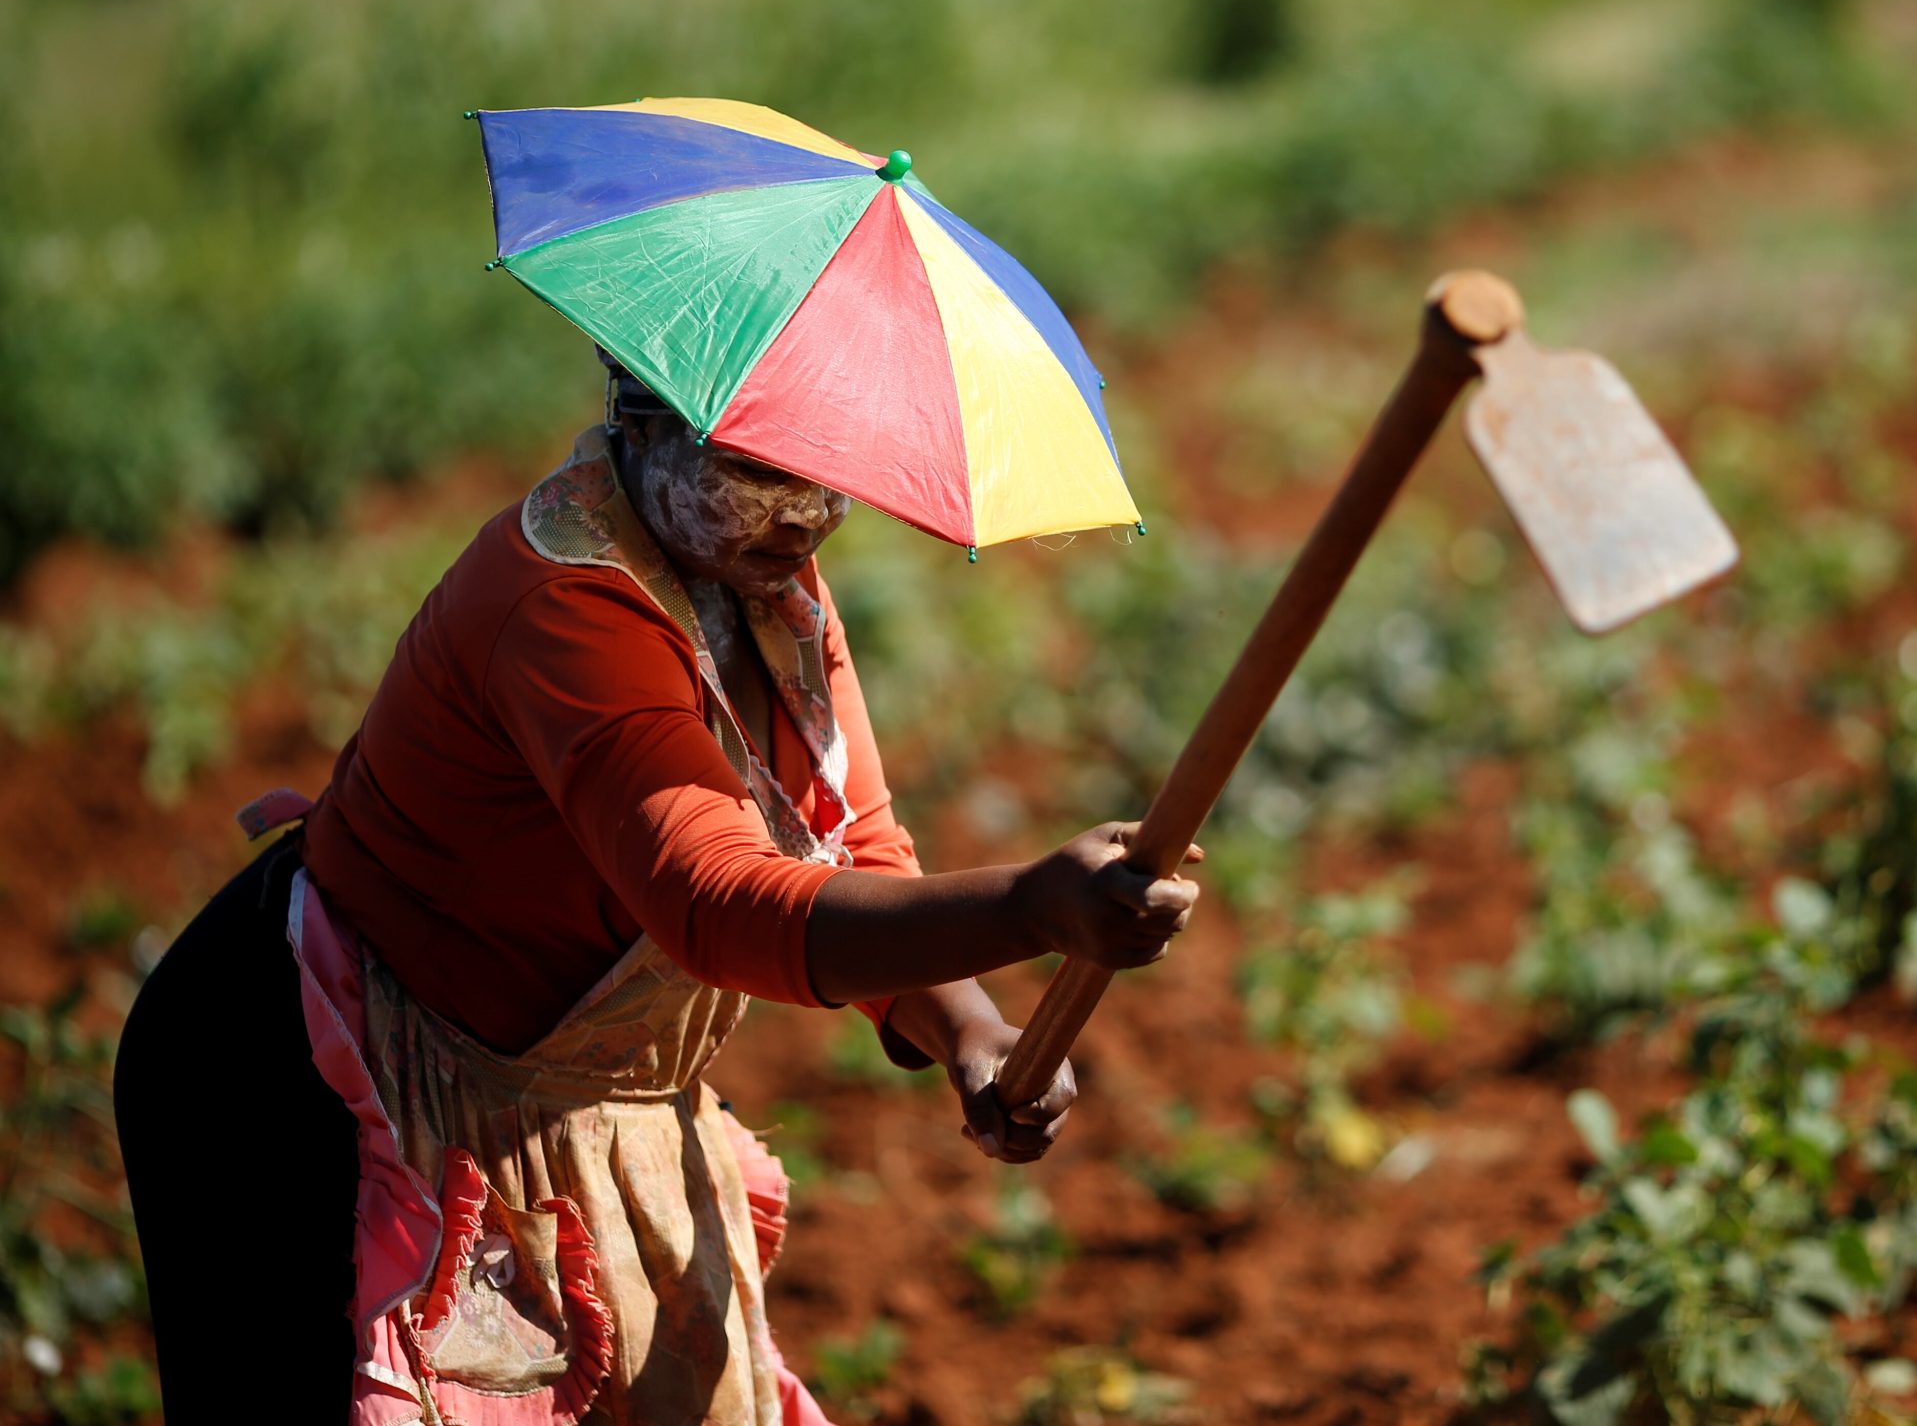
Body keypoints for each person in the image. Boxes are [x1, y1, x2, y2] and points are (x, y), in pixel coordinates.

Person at [113, 359, 1200, 1425]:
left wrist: (964, 1023)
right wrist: (1030, 906)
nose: (810, 513)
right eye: (761, 472)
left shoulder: (768, 593)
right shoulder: (562, 601)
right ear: (643, 416)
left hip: (557, 1082)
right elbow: (717, 906)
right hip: (307, 1077)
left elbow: (848, 838)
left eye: (832, 473)